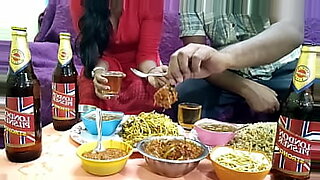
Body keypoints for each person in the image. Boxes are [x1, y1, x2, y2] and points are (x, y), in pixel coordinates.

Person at [167, 0, 304, 122]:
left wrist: (225, 58)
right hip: (228, 74)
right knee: (186, 94)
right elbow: (197, 63)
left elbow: (291, 30)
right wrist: (246, 88)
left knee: (308, 101)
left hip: (283, 68)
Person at [70, 0, 167, 114]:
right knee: (91, 87)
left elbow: (146, 54)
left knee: (138, 88)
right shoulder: (79, 2)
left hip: (139, 66)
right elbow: (91, 50)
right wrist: (99, 71)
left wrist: (152, 72)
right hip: (101, 63)